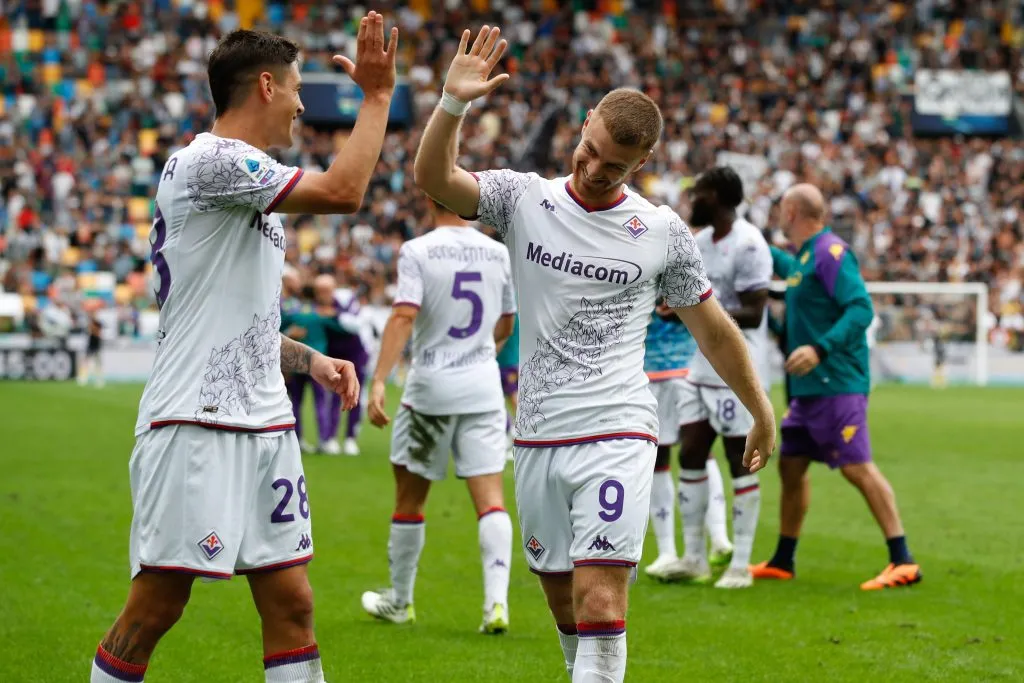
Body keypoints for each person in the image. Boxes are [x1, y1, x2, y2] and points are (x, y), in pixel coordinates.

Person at [413, 25, 776, 682]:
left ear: (642, 163)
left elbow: (715, 328)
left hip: (616, 426)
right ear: (583, 127)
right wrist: (452, 104)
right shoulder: (524, 197)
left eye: (613, 164)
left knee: (602, 597)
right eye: (590, 150)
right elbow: (434, 176)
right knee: (563, 605)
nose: (593, 168)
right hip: (538, 436)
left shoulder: (661, 231)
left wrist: (760, 408)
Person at [90, 15, 398, 683]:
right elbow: (344, 191)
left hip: (265, 424)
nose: (300, 104)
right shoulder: (212, 161)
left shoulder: (245, 181)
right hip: (195, 421)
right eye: (294, 89)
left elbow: (238, 317)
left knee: (293, 603)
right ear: (264, 85)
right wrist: (376, 100)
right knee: (156, 606)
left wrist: (306, 359)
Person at [750, 183, 922, 591]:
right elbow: (789, 268)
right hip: (810, 392)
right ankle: (784, 559)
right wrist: (747, 239)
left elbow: (861, 307)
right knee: (791, 467)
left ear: (791, 212)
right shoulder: (806, 258)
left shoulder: (830, 253)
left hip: (837, 383)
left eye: (780, 210)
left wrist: (820, 349)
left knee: (856, 467)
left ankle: (904, 560)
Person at [361, 199, 517, 634]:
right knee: (491, 501)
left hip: (431, 387)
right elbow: (506, 323)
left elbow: (404, 315)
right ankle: (496, 605)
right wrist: (484, 355)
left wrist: (378, 381)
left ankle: (401, 600)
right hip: (483, 387)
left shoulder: (418, 250)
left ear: (429, 198)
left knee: (410, 500)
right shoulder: (497, 251)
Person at [664, 166, 773, 589]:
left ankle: (741, 563)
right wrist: (678, 310)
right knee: (690, 454)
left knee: (739, 460)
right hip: (700, 367)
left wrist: (702, 314)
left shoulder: (748, 244)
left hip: (735, 369)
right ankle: (694, 557)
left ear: (720, 197)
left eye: (700, 193)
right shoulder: (700, 242)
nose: (693, 200)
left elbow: (755, 311)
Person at [641, 301, 733, 580]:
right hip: (680, 369)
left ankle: (672, 549)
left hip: (663, 370)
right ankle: (716, 538)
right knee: (697, 453)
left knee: (667, 457)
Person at [322, 279, 370, 455]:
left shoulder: (347, 302)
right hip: (334, 358)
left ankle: (350, 438)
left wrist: (336, 314)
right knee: (333, 398)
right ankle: (331, 437)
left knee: (354, 396)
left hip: (355, 358)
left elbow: (355, 325)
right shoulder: (319, 306)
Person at [495, 312, 519, 458]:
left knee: (512, 397)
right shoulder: (515, 312)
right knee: (502, 399)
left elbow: (505, 335)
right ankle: (511, 430)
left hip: (506, 362)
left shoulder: (509, 314)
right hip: (508, 362)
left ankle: (519, 431)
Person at [78, 309, 106, 388]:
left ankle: (99, 380)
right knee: (86, 362)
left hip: (96, 346)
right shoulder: (89, 324)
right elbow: (89, 332)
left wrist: (93, 329)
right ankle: (83, 378)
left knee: (98, 364)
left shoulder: (98, 324)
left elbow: (98, 333)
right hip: (90, 345)